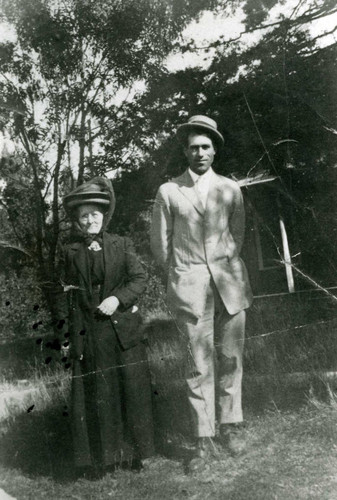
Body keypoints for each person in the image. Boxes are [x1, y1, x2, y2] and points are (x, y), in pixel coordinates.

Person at [150, 115, 253, 472]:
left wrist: (220, 265)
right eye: (193, 147)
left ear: (214, 150)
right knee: (196, 364)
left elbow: (236, 236)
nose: (199, 153)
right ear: (185, 151)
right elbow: (160, 247)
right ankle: (203, 439)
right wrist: (185, 274)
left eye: (206, 146)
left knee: (231, 356)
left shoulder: (230, 189)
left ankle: (232, 425)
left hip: (229, 283)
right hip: (190, 287)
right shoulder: (169, 191)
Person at [56, 177, 154, 479]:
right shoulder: (68, 251)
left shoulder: (121, 244)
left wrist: (117, 298)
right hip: (91, 331)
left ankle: (141, 455)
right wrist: (65, 337)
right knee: (101, 393)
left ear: (104, 215)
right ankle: (105, 459)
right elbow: (59, 295)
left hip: (124, 329)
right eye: (84, 215)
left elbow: (139, 279)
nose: (90, 220)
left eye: (95, 214)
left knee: (134, 390)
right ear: (77, 219)